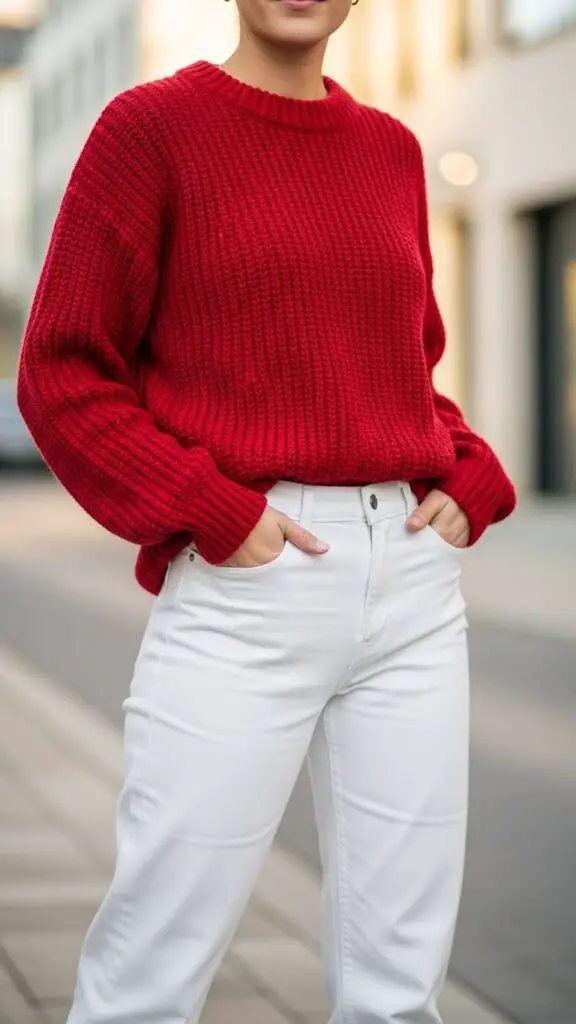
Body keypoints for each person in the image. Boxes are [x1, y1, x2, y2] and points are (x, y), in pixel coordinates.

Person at [17, 0, 516, 1021]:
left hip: (413, 594)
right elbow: (63, 373)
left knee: (398, 991)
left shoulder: (391, 150)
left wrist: (469, 469)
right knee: (151, 967)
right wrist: (207, 505)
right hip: (249, 584)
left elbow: (402, 371)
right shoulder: (148, 129)